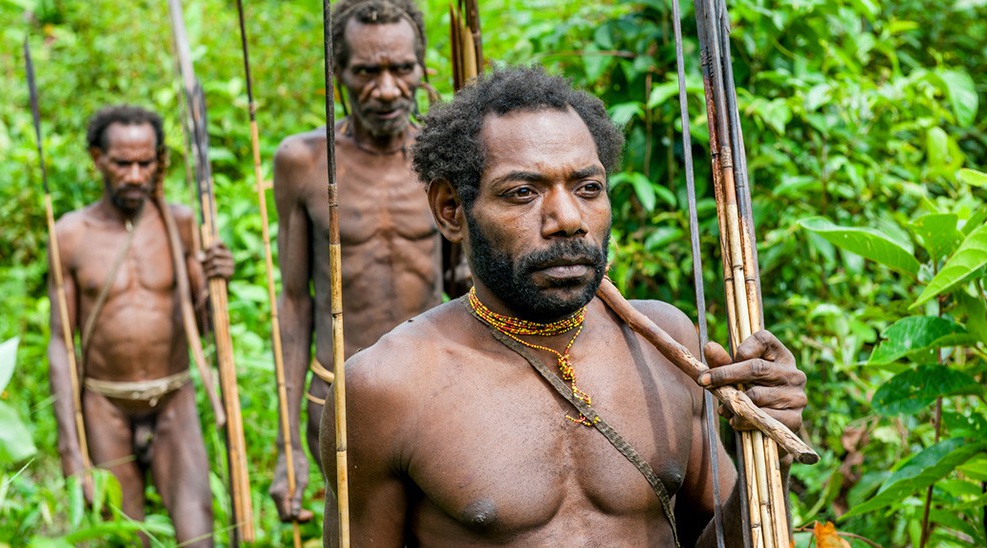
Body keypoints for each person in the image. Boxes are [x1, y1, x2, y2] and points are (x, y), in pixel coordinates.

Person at [321, 66, 807, 546]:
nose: (569, 219)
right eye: (523, 193)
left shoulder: (665, 345)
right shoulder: (387, 387)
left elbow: (723, 540)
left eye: (588, 188)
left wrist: (767, 464)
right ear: (451, 209)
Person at [270, 0, 467, 523]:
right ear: (337, 74)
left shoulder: (444, 158)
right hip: (339, 396)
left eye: (402, 69)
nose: (386, 90)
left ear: (422, 68)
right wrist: (288, 444)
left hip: (433, 388)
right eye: (365, 72)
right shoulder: (303, 162)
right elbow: (294, 302)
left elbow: (465, 285)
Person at [47, 104, 233, 547]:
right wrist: (71, 448)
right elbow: (61, 343)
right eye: (122, 164)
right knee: (128, 537)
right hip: (106, 405)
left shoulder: (180, 224)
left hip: (173, 398)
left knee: (199, 532)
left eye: (145, 163)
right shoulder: (71, 235)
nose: (135, 176)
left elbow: (205, 325)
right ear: (97, 159)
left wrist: (216, 281)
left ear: (159, 162)